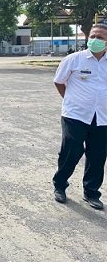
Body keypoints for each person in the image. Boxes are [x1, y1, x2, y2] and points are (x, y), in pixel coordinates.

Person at [52, 24, 107, 210]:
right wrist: (72, 100)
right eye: (93, 36)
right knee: (71, 151)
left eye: (100, 37)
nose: (95, 40)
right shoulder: (74, 59)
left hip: (102, 117)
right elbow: (59, 82)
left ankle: (91, 192)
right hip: (75, 115)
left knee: (98, 155)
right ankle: (60, 185)